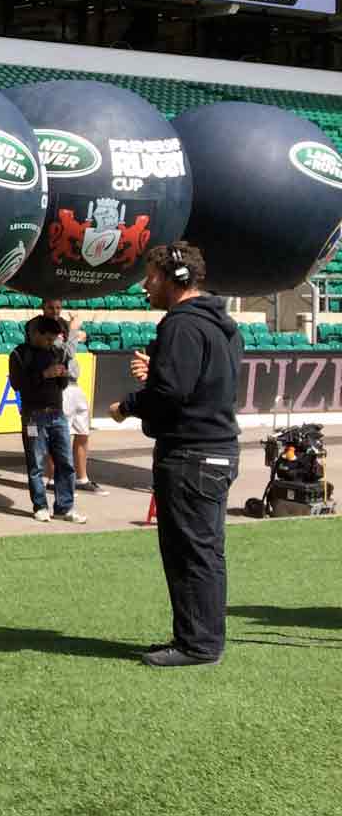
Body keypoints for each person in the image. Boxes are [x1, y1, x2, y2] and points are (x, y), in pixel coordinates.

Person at [109, 243, 241, 667]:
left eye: (151, 277)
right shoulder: (223, 324)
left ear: (175, 279)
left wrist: (127, 406)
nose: (146, 286)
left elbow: (171, 394)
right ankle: (198, 638)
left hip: (191, 456)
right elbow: (200, 382)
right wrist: (162, 370)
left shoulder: (181, 325)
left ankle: (197, 646)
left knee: (190, 553)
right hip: (215, 451)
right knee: (204, 551)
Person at [8, 315, 85, 525]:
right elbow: (17, 384)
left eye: (54, 339)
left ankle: (65, 507)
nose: (52, 343)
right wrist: (44, 374)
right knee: (36, 464)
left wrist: (62, 374)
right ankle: (40, 506)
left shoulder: (55, 352)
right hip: (34, 416)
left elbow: (61, 385)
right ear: (36, 334)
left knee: (66, 463)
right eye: (48, 339)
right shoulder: (19, 354)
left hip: (57, 414)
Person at [35, 298, 99, 493]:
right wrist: (74, 332)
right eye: (51, 307)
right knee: (57, 434)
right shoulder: (41, 328)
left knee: (82, 432)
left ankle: (82, 477)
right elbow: (67, 352)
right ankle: (53, 478)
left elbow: (79, 339)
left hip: (75, 384)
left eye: (58, 307)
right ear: (43, 308)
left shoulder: (62, 325)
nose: (55, 311)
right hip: (59, 386)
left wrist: (75, 333)